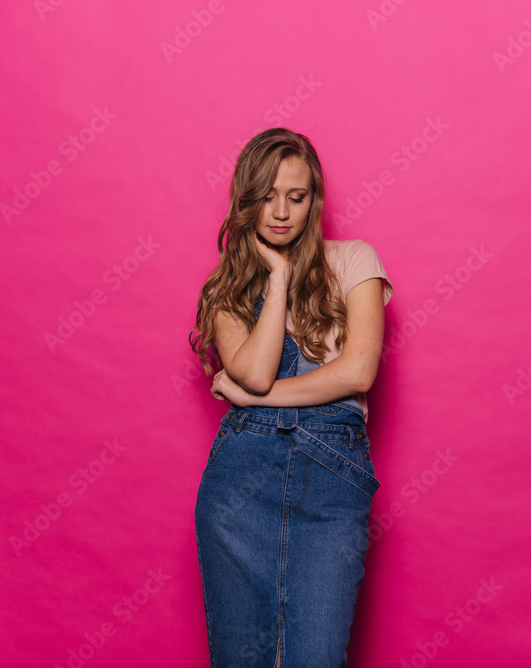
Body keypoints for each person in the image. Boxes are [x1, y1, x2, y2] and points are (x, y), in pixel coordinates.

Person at [189, 127, 393, 667]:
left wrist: (255, 402)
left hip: (330, 480)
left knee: (316, 658)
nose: (281, 212)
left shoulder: (353, 261)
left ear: (314, 201)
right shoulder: (227, 291)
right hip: (241, 482)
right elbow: (254, 373)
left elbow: (358, 371)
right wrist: (276, 277)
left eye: (296, 197)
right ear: (246, 201)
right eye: (266, 197)